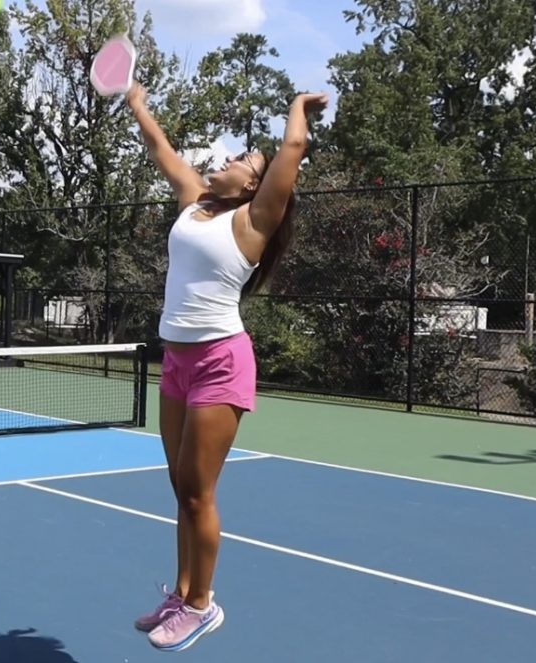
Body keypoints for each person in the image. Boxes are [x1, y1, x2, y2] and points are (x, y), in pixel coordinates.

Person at [126, 82, 328, 652]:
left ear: (254, 187)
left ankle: (202, 604)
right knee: (179, 486)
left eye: (245, 160)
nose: (233, 160)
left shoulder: (254, 221)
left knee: (199, 493)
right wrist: (138, 104)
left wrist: (296, 111)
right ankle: (182, 592)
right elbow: (162, 150)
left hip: (220, 363)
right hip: (176, 361)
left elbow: (290, 150)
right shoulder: (196, 204)